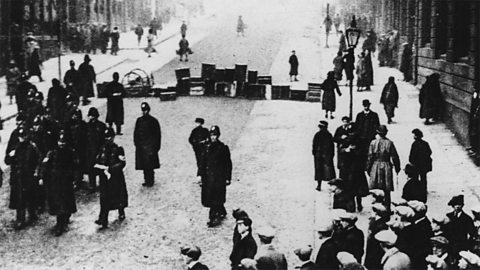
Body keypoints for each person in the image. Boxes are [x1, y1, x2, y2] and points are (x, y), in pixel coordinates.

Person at [41, 132, 77, 236]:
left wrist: (74, 179)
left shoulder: (70, 152)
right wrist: (43, 177)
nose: (61, 144)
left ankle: (64, 220)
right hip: (55, 181)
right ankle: (60, 223)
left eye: (63, 142)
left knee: (65, 202)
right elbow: (45, 165)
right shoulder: (52, 153)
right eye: (60, 142)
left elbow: (75, 166)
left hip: (66, 181)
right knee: (58, 202)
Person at [4, 128, 41, 230]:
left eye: (23, 136)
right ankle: (20, 219)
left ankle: (32, 214)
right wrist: (10, 156)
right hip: (19, 177)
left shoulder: (32, 147)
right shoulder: (16, 148)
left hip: (28, 176)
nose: (22, 139)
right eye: (20, 137)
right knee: (20, 198)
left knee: (30, 196)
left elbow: (38, 160)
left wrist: (36, 172)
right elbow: (7, 161)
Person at [94, 128, 128, 229]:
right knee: (104, 197)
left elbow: (122, 163)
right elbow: (98, 159)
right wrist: (98, 167)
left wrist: (110, 169)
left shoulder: (118, 149)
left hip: (115, 177)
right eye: (106, 137)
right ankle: (103, 219)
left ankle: (121, 210)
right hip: (104, 177)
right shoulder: (102, 148)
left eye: (109, 137)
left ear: (113, 137)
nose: (107, 139)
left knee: (118, 195)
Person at [200, 125, 232, 227]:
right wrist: (199, 175)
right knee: (212, 198)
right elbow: (202, 163)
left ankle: (213, 218)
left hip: (219, 178)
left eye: (215, 135)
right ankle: (221, 210)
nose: (213, 137)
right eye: (211, 135)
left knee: (215, 198)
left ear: (218, 136)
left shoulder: (223, 148)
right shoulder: (206, 148)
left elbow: (228, 164)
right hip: (208, 178)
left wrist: (227, 177)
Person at [366, 125, 400, 213]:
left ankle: (376, 209)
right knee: (386, 189)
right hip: (386, 165)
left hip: (375, 165)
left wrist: (368, 168)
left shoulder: (373, 143)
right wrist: (397, 168)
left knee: (375, 188)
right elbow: (395, 157)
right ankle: (387, 208)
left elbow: (370, 156)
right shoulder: (390, 143)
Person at [336, 124, 369, 212]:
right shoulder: (347, 140)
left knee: (357, 189)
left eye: (353, 132)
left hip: (357, 168)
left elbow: (364, 154)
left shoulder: (361, 141)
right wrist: (346, 150)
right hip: (348, 169)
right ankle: (352, 205)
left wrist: (355, 150)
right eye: (350, 133)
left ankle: (359, 204)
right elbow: (340, 150)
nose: (351, 134)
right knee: (350, 188)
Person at [134, 102, 161, 187]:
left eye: (145, 110)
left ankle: (151, 180)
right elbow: (136, 133)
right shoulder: (139, 120)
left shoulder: (153, 121)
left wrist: (156, 147)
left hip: (150, 147)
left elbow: (157, 135)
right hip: (141, 147)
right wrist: (137, 144)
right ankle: (146, 179)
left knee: (150, 165)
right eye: (143, 110)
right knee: (144, 165)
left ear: (148, 110)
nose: (144, 112)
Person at [446, 195, 476, 261]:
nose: (457, 206)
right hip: (450, 245)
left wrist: (468, 246)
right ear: (452, 206)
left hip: (461, 246)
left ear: (462, 205)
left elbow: (472, 233)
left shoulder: (467, 218)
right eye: (455, 204)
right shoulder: (448, 216)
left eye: (459, 204)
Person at [65, 109, 87, 189]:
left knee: (80, 164)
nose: (74, 117)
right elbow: (67, 137)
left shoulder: (83, 124)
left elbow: (85, 136)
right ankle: (74, 180)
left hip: (81, 148)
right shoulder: (67, 125)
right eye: (73, 115)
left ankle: (79, 180)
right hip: (71, 148)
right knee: (72, 165)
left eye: (76, 115)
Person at [85, 107, 106, 191]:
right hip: (89, 151)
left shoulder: (101, 126)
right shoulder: (86, 126)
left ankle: (102, 184)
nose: (92, 117)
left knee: (100, 168)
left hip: (99, 150)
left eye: (94, 116)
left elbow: (104, 139)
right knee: (90, 168)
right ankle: (92, 184)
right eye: (90, 116)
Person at [355, 99, 380, 166]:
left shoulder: (374, 115)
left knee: (370, 151)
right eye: (365, 106)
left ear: (369, 105)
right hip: (361, 138)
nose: (366, 107)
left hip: (370, 137)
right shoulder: (359, 115)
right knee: (361, 152)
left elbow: (377, 126)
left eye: (367, 105)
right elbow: (356, 126)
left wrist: (375, 134)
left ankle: (369, 164)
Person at [364, 203, 389, 270]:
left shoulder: (381, 225)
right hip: (372, 249)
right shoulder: (375, 221)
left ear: (376, 212)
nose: (370, 212)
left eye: (372, 210)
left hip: (376, 251)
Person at [312, 120, 335, 191]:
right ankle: (330, 186)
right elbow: (332, 146)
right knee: (328, 170)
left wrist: (315, 153)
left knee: (320, 170)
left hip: (321, 155)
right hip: (325, 155)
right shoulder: (328, 135)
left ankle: (320, 185)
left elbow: (314, 146)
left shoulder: (318, 134)